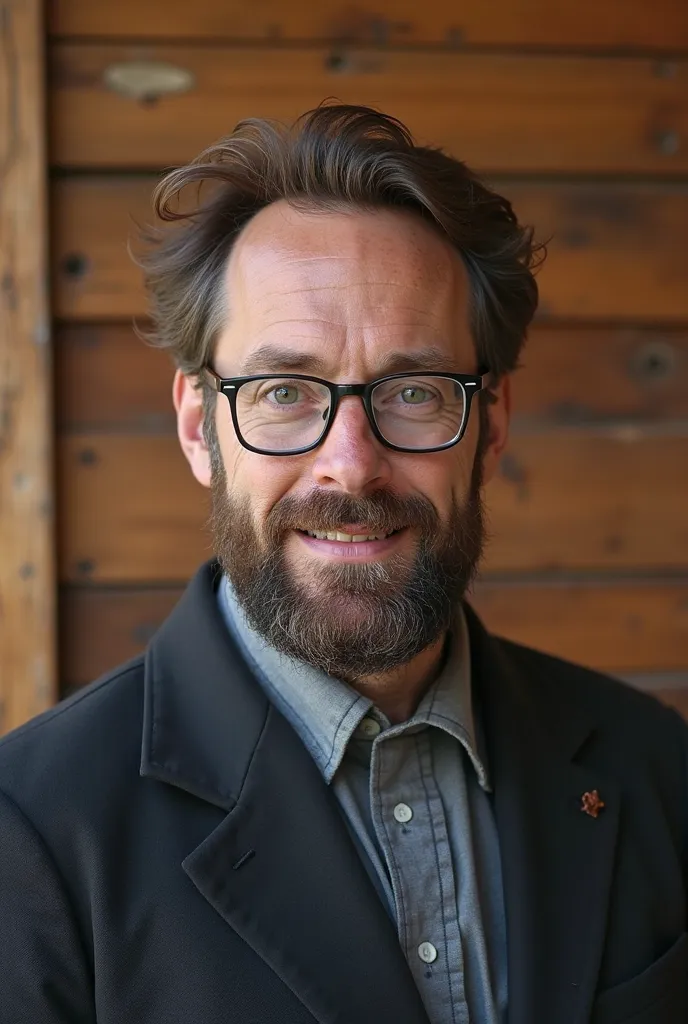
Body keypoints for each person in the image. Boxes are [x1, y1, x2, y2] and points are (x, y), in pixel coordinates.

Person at [0, 105, 686, 1024]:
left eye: (414, 391)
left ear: (491, 426)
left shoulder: (658, 768)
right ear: (201, 428)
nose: (352, 464)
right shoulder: (33, 835)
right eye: (284, 391)